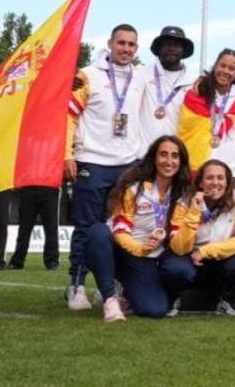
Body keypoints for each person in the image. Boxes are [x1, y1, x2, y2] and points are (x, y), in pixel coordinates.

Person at [64, 24, 149, 310]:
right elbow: (68, 115)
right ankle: (76, 285)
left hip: (128, 165)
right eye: (121, 43)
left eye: (131, 45)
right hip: (93, 160)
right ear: (110, 43)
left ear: (137, 49)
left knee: (122, 228)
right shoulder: (87, 75)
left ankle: (109, 286)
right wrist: (66, 154)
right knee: (86, 227)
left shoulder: (141, 76)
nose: (126, 49)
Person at [84, 135, 193, 321]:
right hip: (120, 248)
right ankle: (109, 298)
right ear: (154, 158)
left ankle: (125, 291)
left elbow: (178, 238)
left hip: (145, 258)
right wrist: (139, 248)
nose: (169, 161)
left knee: (155, 310)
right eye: (163, 154)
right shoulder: (134, 188)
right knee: (97, 232)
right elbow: (120, 230)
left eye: (175, 156)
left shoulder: (182, 195)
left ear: (181, 162)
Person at [160, 159, 235, 316]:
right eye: (209, 178)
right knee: (175, 268)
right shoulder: (184, 202)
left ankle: (227, 301)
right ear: (201, 183)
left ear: (227, 182)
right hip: (189, 258)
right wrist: (194, 211)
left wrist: (205, 251)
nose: (215, 182)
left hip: (221, 258)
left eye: (220, 178)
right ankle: (173, 298)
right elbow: (179, 248)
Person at [177, 48, 235, 184]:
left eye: (231, 68)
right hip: (198, 169)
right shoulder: (195, 95)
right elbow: (185, 130)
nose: (225, 71)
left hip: (232, 170)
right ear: (215, 66)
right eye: (222, 65)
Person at [139, 26, 197, 152]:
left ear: (183, 50)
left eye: (176, 45)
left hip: (175, 155)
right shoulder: (142, 73)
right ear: (159, 48)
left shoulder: (194, 82)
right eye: (167, 44)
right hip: (144, 154)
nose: (171, 48)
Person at [8, 186, 60, 271]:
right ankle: (51, 261)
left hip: (45, 187)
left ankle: (52, 261)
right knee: (25, 228)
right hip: (35, 187)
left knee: (50, 228)